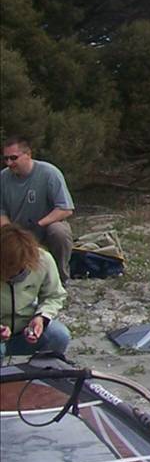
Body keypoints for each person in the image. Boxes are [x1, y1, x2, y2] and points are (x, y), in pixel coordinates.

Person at [0, 135, 75, 284]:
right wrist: (9, 231)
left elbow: (65, 208)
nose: (9, 163)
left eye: (13, 158)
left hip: (43, 228)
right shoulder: (3, 177)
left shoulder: (49, 173)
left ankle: (60, 278)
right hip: (16, 232)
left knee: (59, 232)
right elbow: (1, 210)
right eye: (6, 159)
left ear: (28, 154)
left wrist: (40, 224)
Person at [1, 224, 70, 359]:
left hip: (25, 327)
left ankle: (43, 370)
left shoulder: (43, 259)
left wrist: (41, 317)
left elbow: (54, 295)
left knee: (59, 335)